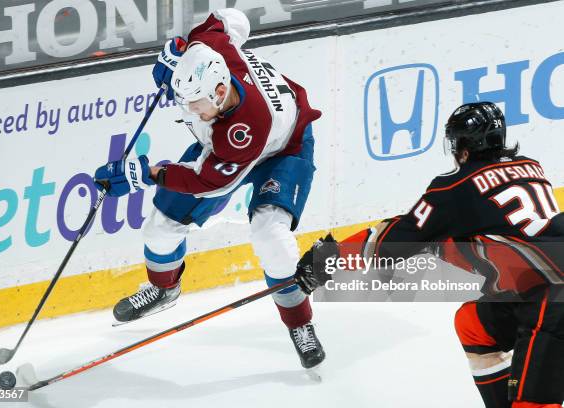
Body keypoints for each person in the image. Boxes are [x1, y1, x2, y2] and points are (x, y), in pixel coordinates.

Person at [93, 8, 325, 369]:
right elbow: (231, 19)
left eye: (196, 105)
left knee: (271, 237)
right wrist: (180, 48)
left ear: (220, 92)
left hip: (284, 150)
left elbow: (208, 183)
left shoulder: (242, 131)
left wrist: (147, 174)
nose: (190, 111)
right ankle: (165, 289)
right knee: (159, 228)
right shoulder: (211, 49)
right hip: (217, 150)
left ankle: (300, 323)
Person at [296, 102, 564, 406]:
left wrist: (327, 258)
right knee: (473, 324)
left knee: (532, 403)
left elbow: (395, 239)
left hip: (551, 298)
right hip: (538, 284)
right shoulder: (531, 166)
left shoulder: (456, 187)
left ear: (463, 146)